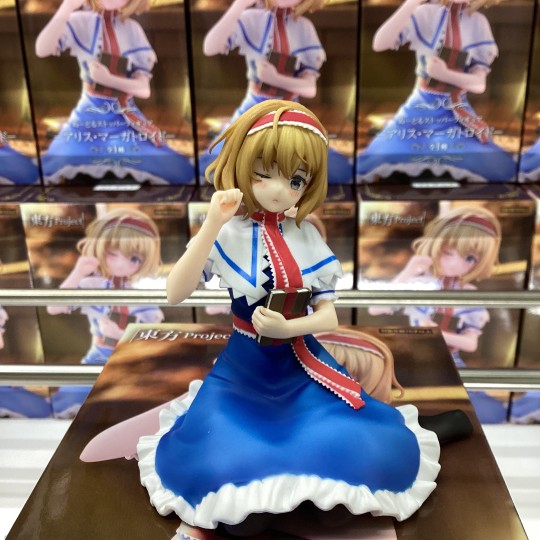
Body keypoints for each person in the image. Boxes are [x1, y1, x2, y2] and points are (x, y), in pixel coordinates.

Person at [136, 99, 443, 536]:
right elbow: (175, 292)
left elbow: (329, 317)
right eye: (264, 173)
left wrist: (289, 328)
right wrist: (211, 224)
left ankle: (310, 503)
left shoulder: (306, 237)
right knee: (218, 457)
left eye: (296, 179)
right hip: (241, 374)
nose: (280, 190)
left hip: (302, 369)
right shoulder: (228, 233)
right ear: (242, 165)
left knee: (361, 447)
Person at [368, 205, 507, 423]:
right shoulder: (420, 284)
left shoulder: (469, 296)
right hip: (411, 357)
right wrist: (408, 272)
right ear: (435, 246)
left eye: (469, 258)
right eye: (448, 252)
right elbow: (376, 308)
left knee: (478, 410)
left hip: (449, 362)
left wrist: (436, 333)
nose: (454, 263)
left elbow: (470, 343)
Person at [34, 0, 195, 185]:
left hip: (123, 117)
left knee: (166, 165)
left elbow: (144, 89)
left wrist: (108, 79)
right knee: (60, 158)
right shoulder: (80, 21)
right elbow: (42, 50)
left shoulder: (132, 29)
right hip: (87, 116)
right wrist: (67, 7)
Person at [356, 0, 517, 183]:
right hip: (418, 108)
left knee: (477, 157)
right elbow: (380, 44)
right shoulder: (425, 13)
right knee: (387, 151)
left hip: (455, 112)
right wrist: (411, 4)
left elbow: (479, 84)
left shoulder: (477, 22)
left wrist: (445, 74)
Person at [200, 0, 351, 184]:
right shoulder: (251, 19)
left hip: (291, 110)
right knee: (216, 164)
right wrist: (238, 6)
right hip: (253, 108)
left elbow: (310, 89)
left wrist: (275, 78)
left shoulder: (304, 27)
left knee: (333, 169)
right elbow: (210, 48)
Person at [47, 208, 164, 417]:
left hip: (133, 361)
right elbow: (54, 307)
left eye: (134, 258)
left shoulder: (142, 293)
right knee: (71, 400)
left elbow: (153, 336)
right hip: (98, 357)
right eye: (112, 254)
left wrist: (121, 336)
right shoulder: (93, 285)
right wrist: (78, 272)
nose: (120, 264)